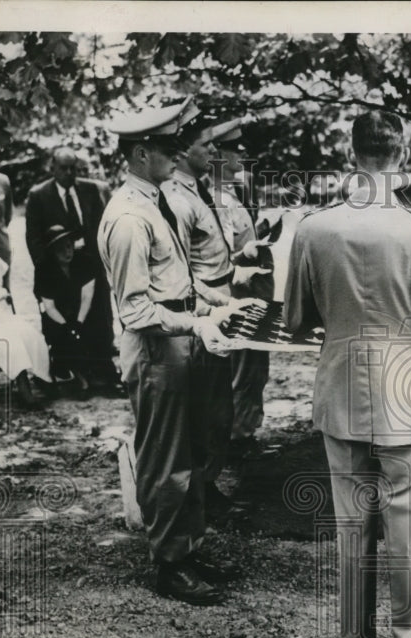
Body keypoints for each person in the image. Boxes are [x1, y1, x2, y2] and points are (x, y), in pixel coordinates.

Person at [284, 111, 411, 638]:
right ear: (404, 154)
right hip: (406, 389)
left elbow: (295, 318)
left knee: (350, 523)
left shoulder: (314, 228)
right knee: (407, 522)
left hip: (341, 384)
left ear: (352, 153)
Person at [98, 97, 244, 606]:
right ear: (141, 154)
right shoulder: (129, 218)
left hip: (183, 339)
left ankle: (188, 547)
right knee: (164, 458)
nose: (176, 154)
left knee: (192, 451)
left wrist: (216, 300)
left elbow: (177, 277)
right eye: (166, 147)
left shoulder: (158, 202)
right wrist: (196, 321)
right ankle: (169, 563)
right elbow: (136, 309)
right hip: (158, 348)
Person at [160, 116, 239, 519]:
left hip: (220, 303)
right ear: (182, 152)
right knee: (204, 408)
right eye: (206, 145)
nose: (214, 151)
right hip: (200, 313)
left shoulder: (200, 189)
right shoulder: (176, 199)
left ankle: (207, 486)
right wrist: (212, 308)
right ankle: (198, 496)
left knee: (220, 406)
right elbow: (180, 271)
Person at [206, 120, 274, 462]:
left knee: (254, 369)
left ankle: (244, 432)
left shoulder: (233, 192)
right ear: (216, 154)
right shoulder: (214, 199)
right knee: (240, 371)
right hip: (234, 296)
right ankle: (234, 439)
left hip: (250, 295)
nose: (242, 154)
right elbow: (218, 258)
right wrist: (250, 253)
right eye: (234, 149)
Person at [25, 147, 118, 387]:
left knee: (100, 316)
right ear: (52, 168)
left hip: (90, 267)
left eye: (72, 168)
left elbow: (102, 228)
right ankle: (70, 368)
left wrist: (102, 261)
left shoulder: (91, 190)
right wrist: (49, 271)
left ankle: (103, 368)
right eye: (63, 168)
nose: (69, 173)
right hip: (59, 271)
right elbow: (33, 239)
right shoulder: (39, 195)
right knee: (64, 319)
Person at [0, 222, 51, 406]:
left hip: (0, 314)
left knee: (30, 333)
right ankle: (25, 391)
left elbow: (5, 287)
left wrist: (3, 294)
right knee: (9, 339)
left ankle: (44, 378)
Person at [34, 225, 105, 391]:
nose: (67, 252)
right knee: (62, 335)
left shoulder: (85, 261)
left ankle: (91, 371)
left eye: (69, 246)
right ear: (52, 251)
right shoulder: (44, 270)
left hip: (82, 312)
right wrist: (67, 326)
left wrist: (78, 324)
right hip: (57, 316)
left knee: (92, 328)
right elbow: (49, 306)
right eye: (60, 249)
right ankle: (75, 375)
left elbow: (87, 296)